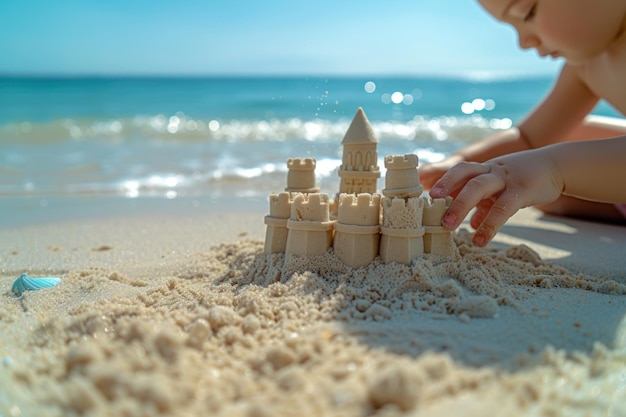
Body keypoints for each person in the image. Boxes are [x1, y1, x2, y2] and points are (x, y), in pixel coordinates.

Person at [420, 0, 626, 247]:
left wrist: (553, 167)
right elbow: (528, 137)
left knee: (544, 169)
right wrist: (459, 162)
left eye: (527, 13)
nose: (524, 42)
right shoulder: (585, 66)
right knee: (539, 172)